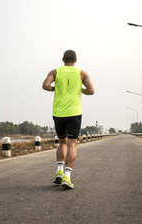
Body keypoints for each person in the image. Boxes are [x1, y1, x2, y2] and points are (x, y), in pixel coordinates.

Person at [42, 50, 94, 189]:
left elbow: (45, 85)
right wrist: (80, 89)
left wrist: (53, 89)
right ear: (75, 60)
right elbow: (91, 91)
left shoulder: (55, 72)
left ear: (63, 59)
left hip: (59, 113)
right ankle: (67, 176)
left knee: (62, 142)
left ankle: (59, 171)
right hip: (74, 113)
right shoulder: (82, 73)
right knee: (72, 144)